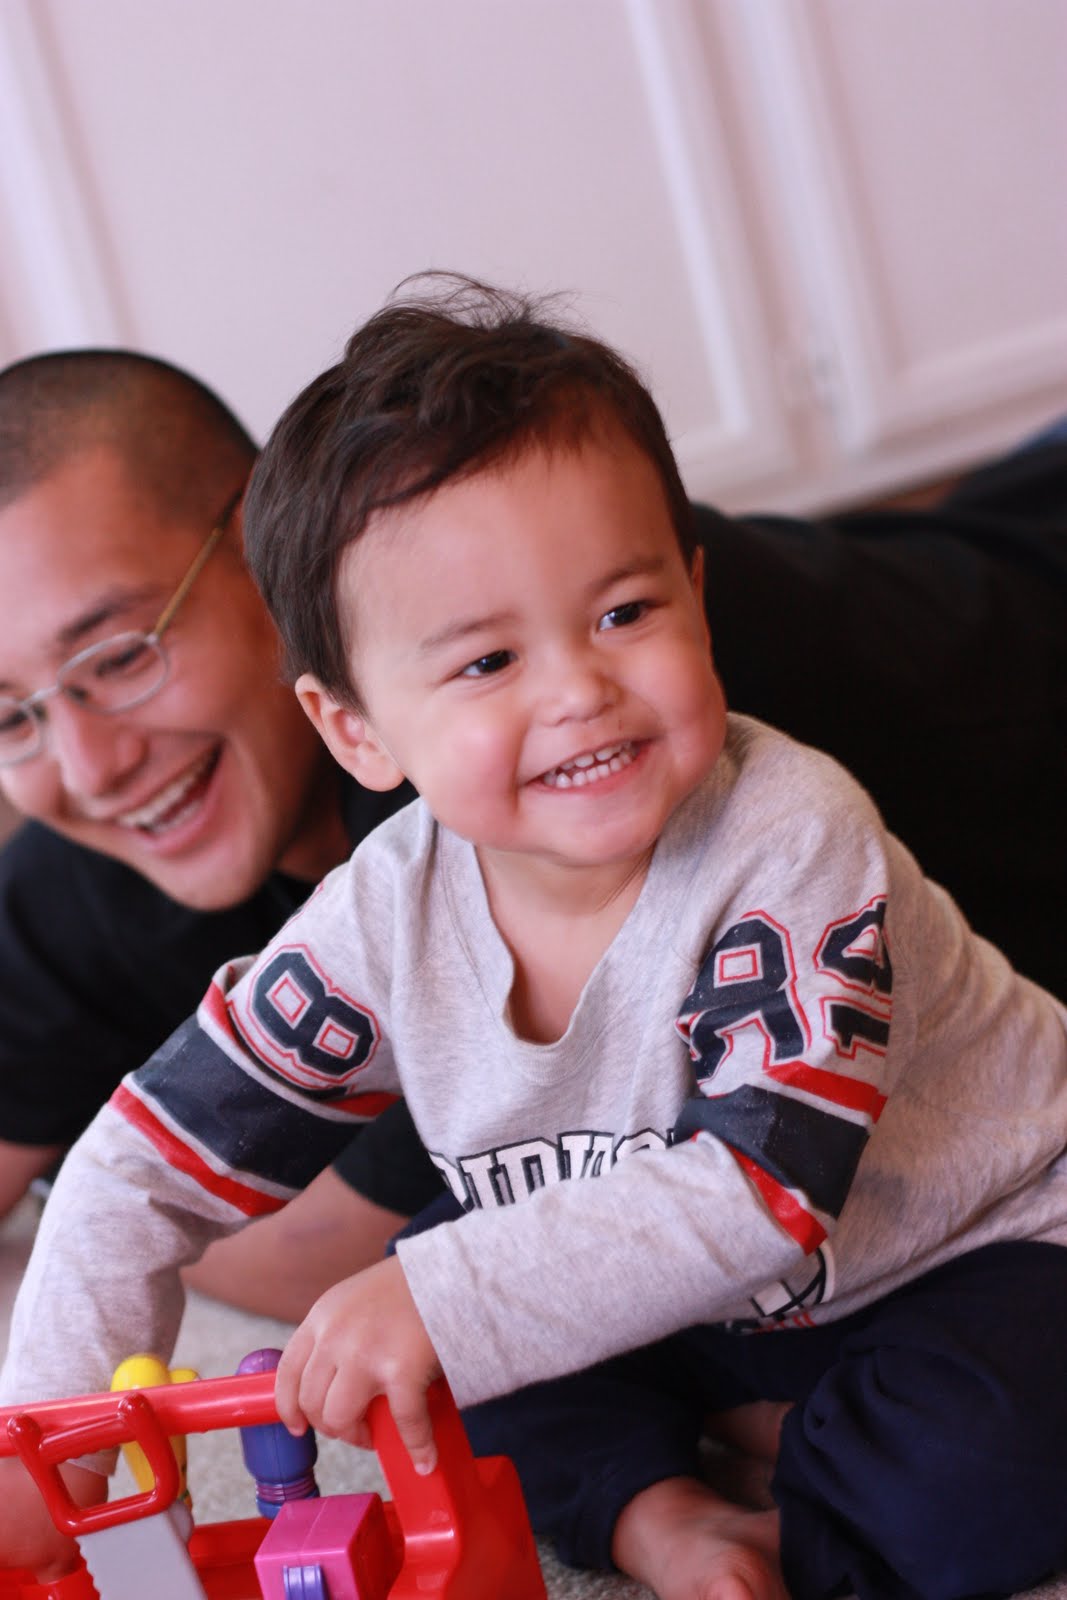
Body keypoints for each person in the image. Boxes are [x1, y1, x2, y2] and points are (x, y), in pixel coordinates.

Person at [2, 279, 1067, 1600]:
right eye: (486, 663)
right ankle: (668, 1516)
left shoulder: (790, 832)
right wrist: (45, 1429)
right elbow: (142, 1162)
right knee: (429, 1361)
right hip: (703, 1308)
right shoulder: (383, 912)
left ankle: (798, 1474)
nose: (577, 689)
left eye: (623, 614)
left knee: (966, 1471)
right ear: (356, 730)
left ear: (695, 594)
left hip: (972, 1252)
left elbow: (762, 1191)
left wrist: (441, 1297)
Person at [0, 349, 443, 1313]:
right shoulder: (74, 867)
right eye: (9, 718)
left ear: (266, 546)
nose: (89, 771)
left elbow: (357, 1253)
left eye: (118, 658)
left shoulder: (490, 738)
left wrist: (89, 1187)